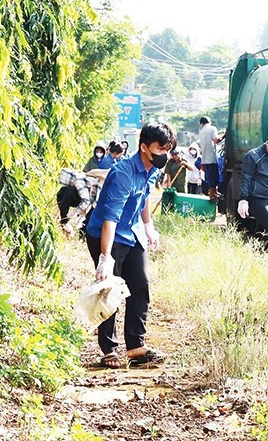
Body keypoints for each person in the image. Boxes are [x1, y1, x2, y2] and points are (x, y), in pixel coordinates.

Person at [85, 122, 176, 369]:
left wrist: (148, 226)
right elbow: (110, 219)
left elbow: (144, 197)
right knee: (109, 290)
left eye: (167, 148)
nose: (164, 153)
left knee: (140, 285)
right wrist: (105, 257)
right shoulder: (123, 174)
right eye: (160, 148)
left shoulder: (153, 169)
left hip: (132, 232)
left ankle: (135, 347)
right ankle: (109, 349)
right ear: (144, 147)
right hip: (107, 234)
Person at [198, 116, 224, 201]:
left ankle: (214, 193)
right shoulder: (212, 128)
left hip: (204, 159)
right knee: (214, 178)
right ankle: (212, 195)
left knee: (210, 178)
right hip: (211, 158)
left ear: (201, 124)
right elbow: (216, 140)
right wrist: (224, 135)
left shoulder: (201, 131)